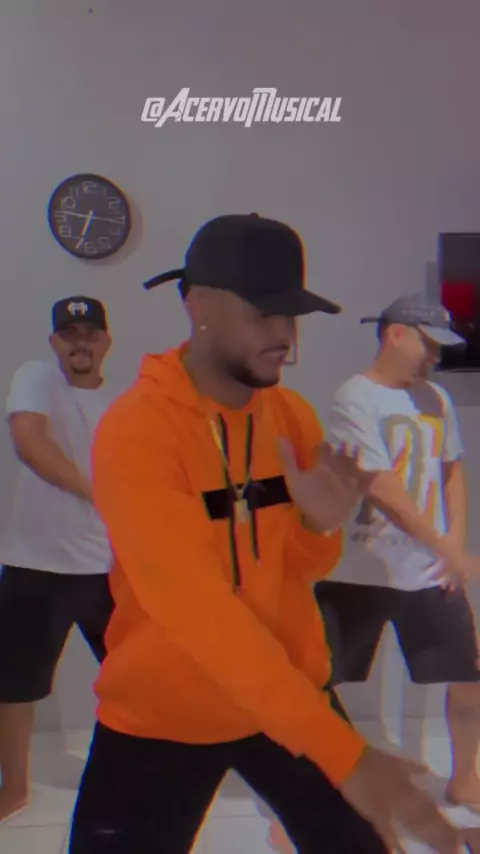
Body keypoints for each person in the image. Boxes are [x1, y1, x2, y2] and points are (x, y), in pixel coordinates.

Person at [69, 216, 478, 854]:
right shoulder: (136, 431)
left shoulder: (290, 417)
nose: (285, 336)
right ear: (197, 305)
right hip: (165, 708)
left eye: (292, 315)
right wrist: (347, 754)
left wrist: (317, 525)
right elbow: (198, 612)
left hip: (287, 692)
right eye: (263, 314)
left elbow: (300, 567)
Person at [316, 293, 480, 814]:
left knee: (470, 675)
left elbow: (452, 472)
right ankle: (329, 789)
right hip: (358, 570)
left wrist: (454, 544)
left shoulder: (436, 398)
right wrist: (449, 550)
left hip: (428, 572)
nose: (434, 357)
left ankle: (465, 780)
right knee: (320, 681)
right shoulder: (353, 398)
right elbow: (382, 489)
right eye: (428, 345)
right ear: (396, 334)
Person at [0, 296, 118, 824]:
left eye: (91, 333)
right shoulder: (36, 377)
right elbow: (29, 442)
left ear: (106, 341)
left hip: (107, 569)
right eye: (69, 333)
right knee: (13, 685)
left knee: (133, 682)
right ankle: (14, 789)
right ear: (54, 342)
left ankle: (129, 778)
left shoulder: (122, 404)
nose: (81, 342)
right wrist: (96, 492)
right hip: (35, 567)